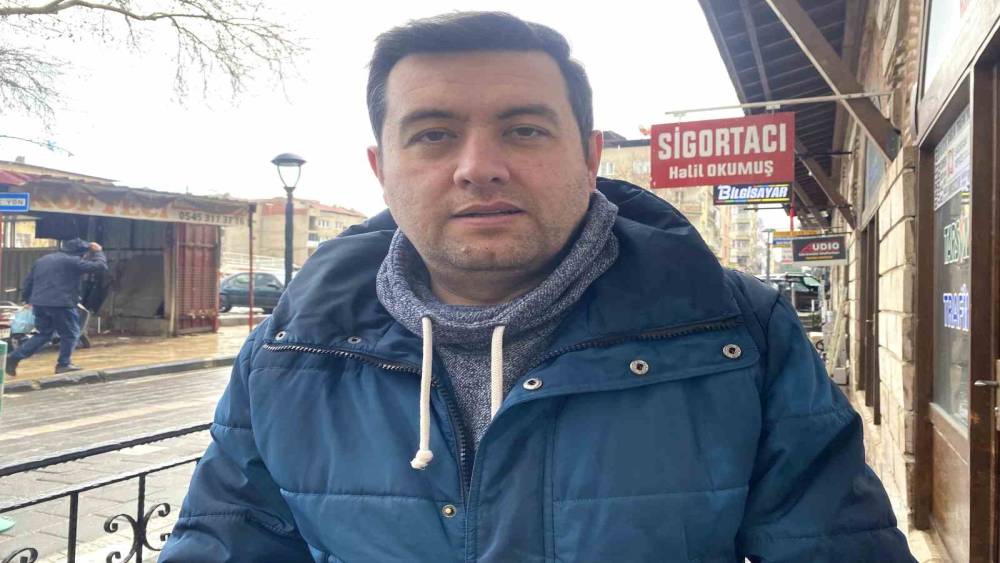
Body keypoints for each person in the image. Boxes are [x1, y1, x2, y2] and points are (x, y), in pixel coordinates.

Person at [161, 12, 915, 562]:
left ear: (589, 157)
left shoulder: (738, 335)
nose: (478, 167)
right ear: (381, 169)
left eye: (524, 130)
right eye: (432, 134)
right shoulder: (291, 353)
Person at [6, 238, 107, 376]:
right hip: (61, 303)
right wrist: (98, 252)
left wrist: (27, 299)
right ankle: (63, 364)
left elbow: (29, 281)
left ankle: (14, 357)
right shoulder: (73, 261)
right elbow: (100, 267)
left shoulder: (43, 260)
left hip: (40, 302)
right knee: (70, 333)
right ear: (80, 253)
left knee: (44, 334)